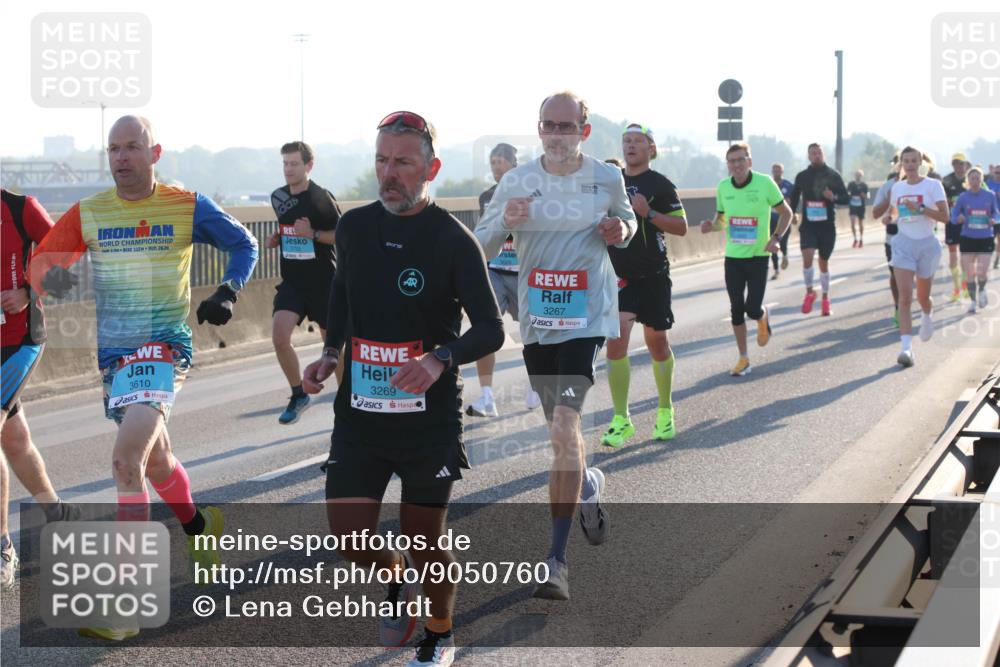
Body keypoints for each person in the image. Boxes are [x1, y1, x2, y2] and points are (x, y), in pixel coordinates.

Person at [29, 115, 259, 640]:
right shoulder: (89, 213)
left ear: (154, 153)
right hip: (114, 356)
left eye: (132, 147)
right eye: (113, 149)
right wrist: (53, 276)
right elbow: (40, 264)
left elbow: (244, 244)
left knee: (125, 459)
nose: (121, 158)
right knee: (155, 461)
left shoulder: (186, 204)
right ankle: (201, 526)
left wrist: (227, 291)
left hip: (164, 348)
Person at [303, 111, 503, 667]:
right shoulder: (355, 226)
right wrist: (330, 351)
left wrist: (442, 358)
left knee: (425, 545)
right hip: (361, 418)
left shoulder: (454, 240)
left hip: (427, 423)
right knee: (350, 540)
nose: (389, 174)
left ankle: (439, 633)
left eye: (403, 163)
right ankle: (397, 587)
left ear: (431, 168)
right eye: (381, 162)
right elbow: (342, 294)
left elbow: (491, 328)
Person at [476, 91, 637, 600]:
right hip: (538, 322)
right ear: (539, 129)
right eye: (549, 125)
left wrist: (621, 228)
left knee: (567, 428)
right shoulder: (517, 181)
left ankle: (555, 561)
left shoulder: (605, 178)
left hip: (587, 318)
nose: (557, 134)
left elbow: (628, 222)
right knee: (560, 438)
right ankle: (587, 484)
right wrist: (507, 221)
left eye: (567, 126)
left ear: (584, 132)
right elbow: (477, 244)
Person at [0, 189, 78, 590]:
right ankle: (59, 515)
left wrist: (30, 292)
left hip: (19, 342)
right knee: (15, 440)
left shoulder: (20, 208)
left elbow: (69, 267)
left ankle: (2, 548)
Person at [601, 124, 686, 447]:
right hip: (620, 277)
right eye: (626, 141)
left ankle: (665, 410)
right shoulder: (611, 182)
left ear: (651, 148)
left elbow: (681, 227)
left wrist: (647, 211)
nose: (631, 146)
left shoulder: (661, 185)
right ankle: (621, 418)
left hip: (654, 276)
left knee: (658, 344)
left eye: (638, 141)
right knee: (616, 344)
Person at [265, 141, 343, 424]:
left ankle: (346, 402)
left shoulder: (321, 197)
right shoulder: (277, 197)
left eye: (294, 163)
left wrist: (311, 234)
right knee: (279, 336)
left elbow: (340, 235)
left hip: (324, 281)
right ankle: (298, 393)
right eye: (285, 163)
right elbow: (288, 227)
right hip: (294, 281)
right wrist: (278, 238)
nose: (288, 169)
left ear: (309, 166)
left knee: (332, 347)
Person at [701, 143, 793, 376]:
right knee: (736, 309)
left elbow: (787, 213)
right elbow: (721, 220)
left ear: (749, 162)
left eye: (741, 159)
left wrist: (776, 238)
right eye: (732, 161)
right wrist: (711, 227)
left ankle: (762, 317)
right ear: (728, 165)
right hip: (733, 257)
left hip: (758, 256)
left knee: (752, 308)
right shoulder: (723, 187)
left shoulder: (764, 183)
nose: (737, 164)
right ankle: (743, 358)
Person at [466, 143, 541, 417]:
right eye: (492, 161)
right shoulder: (487, 197)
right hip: (495, 270)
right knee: (484, 328)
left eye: (500, 161)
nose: (496, 166)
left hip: (524, 273)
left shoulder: (531, 192)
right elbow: (484, 233)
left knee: (533, 332)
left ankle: (537, 385)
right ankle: (487, 396)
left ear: (514, 164)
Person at [872, 146, 949, 367]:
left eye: (914, 160)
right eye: (906, 161)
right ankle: (906, 348)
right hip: (903, 244)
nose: (910, 164)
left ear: (921, 162)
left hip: (927, 245)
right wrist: (889, 217)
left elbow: (946, 217)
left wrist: (922, 207)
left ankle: (926, 314)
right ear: (901, 165)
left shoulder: (933, 185)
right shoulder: (897, 187)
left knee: (923, 297)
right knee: (904, 297)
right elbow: (896, 212)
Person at [789, 143, 849, 316]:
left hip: (827, 226)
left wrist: (833, 197)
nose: (816, 155)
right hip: (808, 224)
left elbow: (845, 198)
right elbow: (794, 197)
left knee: (823, 262)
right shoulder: (802, 176)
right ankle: (809, 292)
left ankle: (825, 298)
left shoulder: (833, 175)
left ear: (824, 154)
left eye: (819, 153)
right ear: (809, 156)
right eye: (813, 153)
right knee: (807, 257)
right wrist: (791, 213)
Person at [952, 167, 1000, 313]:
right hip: (968, 238)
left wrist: (993, 220)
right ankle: (973, 301)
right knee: (970, 273)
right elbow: (953, 216)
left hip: (985, 237)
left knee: (982, 272)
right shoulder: (963, 197)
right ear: (968, 180)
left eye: (977, 178)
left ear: (981, 180)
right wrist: (958, 218)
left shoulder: (989, 196)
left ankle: (983, 289)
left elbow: (997, 214)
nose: (975, 181)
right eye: (972, 178)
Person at [872, 155, 903, 327]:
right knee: (895, 275)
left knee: (912, 277)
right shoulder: (888, 186)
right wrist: (888, 199)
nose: (903, 166)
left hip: (916, 238)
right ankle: (899, 307)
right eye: (901, 163)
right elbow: (875, 214)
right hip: (893, 238)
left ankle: (919, 304)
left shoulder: (922, 185)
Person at [942, 153, 970, 301]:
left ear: (966, 164)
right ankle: (956, 287)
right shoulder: (946, 181)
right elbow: (941, 202)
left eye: (960, 163)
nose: (958, 166)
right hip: (952, 224)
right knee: (953, 255)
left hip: (968, 225)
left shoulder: (972, 179)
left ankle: (965, 285)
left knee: (965, 255)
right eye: (955, 163)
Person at [769, 163, 795, 279]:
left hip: (784, 219)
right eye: (774, 170)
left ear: (782, 171)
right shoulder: (768, 184)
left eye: (778, 170)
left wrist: (794, 214)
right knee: (772, 243)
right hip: (771, 219)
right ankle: (776, 269)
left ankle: (784, 255)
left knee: (782, 242)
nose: (776, 172)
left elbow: (794, 201)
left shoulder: (788, 185)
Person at [847, 169, 869, 248]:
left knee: (860, 223)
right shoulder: (851, 184)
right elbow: (847, 193)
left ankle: (861, 239)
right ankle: (855, 239)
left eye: (859, 175)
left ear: (862, 176)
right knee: (852, 223)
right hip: (853, 206)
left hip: (861, 206)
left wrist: (864, 196)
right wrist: (849, 195)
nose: (858, 177)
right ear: (854, 176)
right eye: (856, 175)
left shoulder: (864, 185)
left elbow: (868, 196)